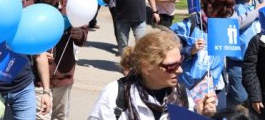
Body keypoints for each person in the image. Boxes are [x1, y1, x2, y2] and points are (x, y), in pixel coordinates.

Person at [88, 30, 217, 119]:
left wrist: (198, 114)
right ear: (146, 66)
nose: (180, 70)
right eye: (171, 66)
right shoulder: (115, 94)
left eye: (180, 62)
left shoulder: (181, 94)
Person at [30, 0, 88, 119]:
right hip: (37, 78)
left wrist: (80, 33)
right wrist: (35, 53)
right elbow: (19, 42)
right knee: (40, 117)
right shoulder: (29, 8)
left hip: (63, 75)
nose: (54, 3)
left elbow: (83, 33)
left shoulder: (71, 5)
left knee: (60, 117)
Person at [171, 0, 234, 110]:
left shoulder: (223, 25)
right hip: (190, 86)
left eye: (226, 14)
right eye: (220, 13)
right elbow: (167, 50)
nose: (223, 17)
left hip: (216, 85)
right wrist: (191, 50)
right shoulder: (190, 25)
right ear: (210, 7)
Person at [229, 0, 265, 108]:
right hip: (239, 61)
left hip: (259, 60)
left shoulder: (260, 0)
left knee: (258, 102)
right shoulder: (231, 4)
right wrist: (257, 11)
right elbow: (234, 25)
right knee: (241, 102)